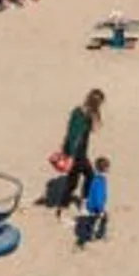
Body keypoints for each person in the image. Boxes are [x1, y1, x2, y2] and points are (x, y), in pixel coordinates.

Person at [57, 89, 105, 217]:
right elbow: (76, 136)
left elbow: (71, 132)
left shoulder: (78, 111)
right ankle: (69, 208)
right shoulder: (85, 115)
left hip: (76, 152)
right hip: (78, 153)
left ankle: (67, 207)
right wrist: (72, 156)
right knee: (85, 178)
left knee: (74, 181)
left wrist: (65, 149)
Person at [76, 157, 111, 249]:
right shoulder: (100, 181)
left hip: (91, 205)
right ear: (106, 169)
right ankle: (83, 241)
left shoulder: (95, 178)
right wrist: (100, 209)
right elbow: (98, 196)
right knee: (98, 221)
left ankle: (96, 235)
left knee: (93, 221)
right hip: (95, 207)